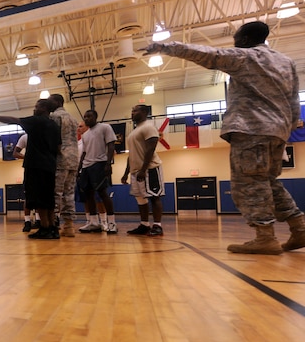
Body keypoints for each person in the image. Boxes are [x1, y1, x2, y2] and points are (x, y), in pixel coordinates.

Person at [146, 20, 302, 254]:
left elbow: (209, 55)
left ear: (246, 40)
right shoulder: (286, 62)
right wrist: (286, 128)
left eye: (236, 38)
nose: (235, 42)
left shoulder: (247, 57)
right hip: (277, 132)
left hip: (252, 129)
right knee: (268, 181)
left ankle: (265, 236)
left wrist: (166, 47)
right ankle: (299, 227)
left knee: (247, 184)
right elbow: (293, 102)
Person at [0, 99, 61, 239]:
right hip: (50, 165)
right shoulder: (54, 125)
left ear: (43, 108)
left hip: (36, 165)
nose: (34, 109)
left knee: (38, 197)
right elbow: (59, 147)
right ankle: (53, 228)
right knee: (49, 198)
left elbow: (13, 120)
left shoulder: (36, 121)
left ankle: (44, 228)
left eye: (36, 107)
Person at [120, 105, 165, 237]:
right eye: (132, 110)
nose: (132, 113)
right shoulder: (134, 132)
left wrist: (143, 169)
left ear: (145, 112)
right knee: (140, 199)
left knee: (154, 197)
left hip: (150, 168)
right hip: (136, 171)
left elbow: (151, 149)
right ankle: (144, 225)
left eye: (135, 110)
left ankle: (157, 226)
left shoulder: (148, 127)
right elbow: (131, 155)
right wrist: (126, 172)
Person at [77, 109, 117, 234]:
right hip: (86, 166)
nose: (87, 118)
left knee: (102, 193)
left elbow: (111, 145)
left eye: (89, 116)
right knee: (88, 195)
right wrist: (79, 168)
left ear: (95, 116)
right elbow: (84, 152)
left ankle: (111, 223)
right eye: (85, 117)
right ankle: (93, 222)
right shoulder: (85, 135)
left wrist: (108, 163)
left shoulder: (105, 127)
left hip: (99, 164)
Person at [47, 94, 80, 237]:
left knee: (56, 193)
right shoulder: (74, 119)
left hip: (60, 158)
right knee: (69, 193)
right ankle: (69, 226)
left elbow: (53, 139)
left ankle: (53, 224)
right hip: (74, 160)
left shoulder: (55, 117)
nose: (49, 103)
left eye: (50, 100)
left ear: (58, 102)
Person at [13, 134, 40, 232]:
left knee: (40, 196)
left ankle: (38, 220)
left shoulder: (43, 135)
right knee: (28, 197)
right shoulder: (25, 137)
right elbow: (15, 153)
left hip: (42, 168)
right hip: (30, 169)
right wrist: (27, 157)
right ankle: (27, 222)